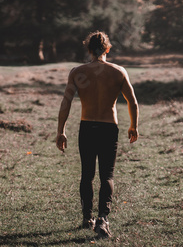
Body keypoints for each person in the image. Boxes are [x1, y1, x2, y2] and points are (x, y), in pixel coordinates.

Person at [56, 31, 139, 239]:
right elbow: (133, 102)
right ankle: (103, 219)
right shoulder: (118, 71)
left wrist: (61, 131)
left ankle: (87, 217)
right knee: (107, 175)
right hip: (109, 128)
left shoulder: (77, 72)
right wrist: (133, 126)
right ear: (108, 49)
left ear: (89, 49)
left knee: (87, 174)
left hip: (87, 126)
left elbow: (66, 102)